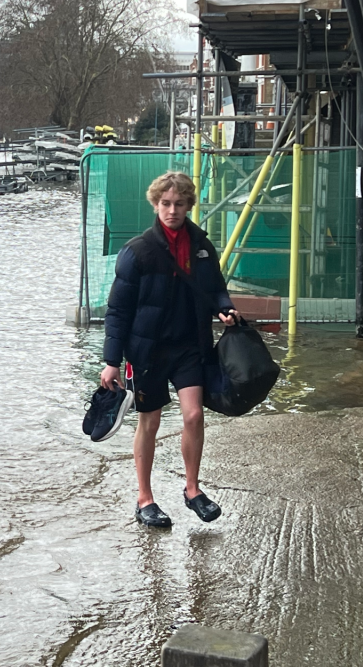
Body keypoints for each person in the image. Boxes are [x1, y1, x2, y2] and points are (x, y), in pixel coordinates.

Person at [100, 171, 239, 529]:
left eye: (179, 203)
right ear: (155, 204)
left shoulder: (203, 247)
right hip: (147, 353)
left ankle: (192, 490)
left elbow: (215, 290)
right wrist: (111, 362)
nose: (172, 210)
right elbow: (117, 311)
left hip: (190, 346)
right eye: (165, 203)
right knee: (151, 421)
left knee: (194, 416)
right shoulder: (137, 252)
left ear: (189, 205)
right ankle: (144, 499)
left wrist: (224, 308)